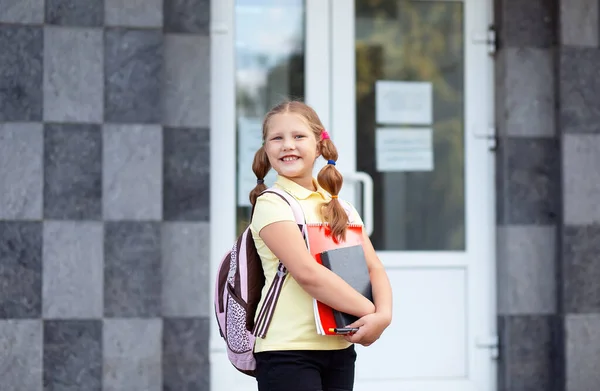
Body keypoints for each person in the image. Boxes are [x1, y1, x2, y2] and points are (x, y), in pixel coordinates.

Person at [249, 100, 393, 391]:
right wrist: (369, 313)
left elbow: (373, 266)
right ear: (266, 149)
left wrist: (385, 316)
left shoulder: (341, 206)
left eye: (298, 136)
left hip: (339, 346)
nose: (287, 145)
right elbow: (307, 274)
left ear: (319, 145)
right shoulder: (272, 204)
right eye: (277, 138)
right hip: (287, 350)